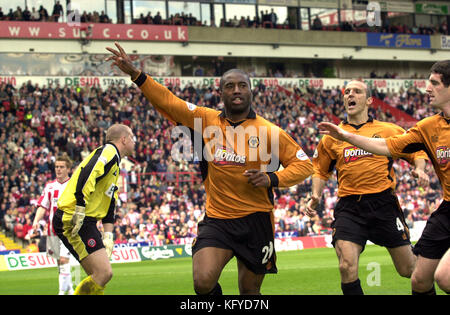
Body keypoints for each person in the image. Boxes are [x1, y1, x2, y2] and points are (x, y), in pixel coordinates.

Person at [106, 42, 314, 295]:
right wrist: (136, 74)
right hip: (218, 220)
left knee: (249, 291)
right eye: (229, 86)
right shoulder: (205, 119)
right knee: (202, 282)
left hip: (257, 220)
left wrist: (273, 178)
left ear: (251, 91)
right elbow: (169, 102)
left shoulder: (271, 132)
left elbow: (305, 165)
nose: (236, 90)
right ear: (221, 93)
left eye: (242, 86)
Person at [318, 60, 450, 295]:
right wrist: (315, 195)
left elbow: (414, 153)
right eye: (347, 91)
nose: (350, 94)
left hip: (383, 204)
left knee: (415, 271)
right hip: (350, 206)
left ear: (369, 100)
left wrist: (419, 169)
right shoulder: (428, 126)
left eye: (357, 91)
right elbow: (322, 169)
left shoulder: (389, 128)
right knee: (351, 266)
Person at [53, 123, 136, 295]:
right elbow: (87, 173)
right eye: (132, 138)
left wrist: (108, 235)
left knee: (98, 275)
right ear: (124, 139)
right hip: (74, 217)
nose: (135, 142)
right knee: (104, 273)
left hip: (85, 221)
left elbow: (110, 203)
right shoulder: (109, 151)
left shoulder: (115, 163)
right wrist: (80, 208)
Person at [32, 153, 74, 295]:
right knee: (59, 263)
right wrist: (36, 221)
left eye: (62, 167)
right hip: (52, 231)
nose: (59, 169)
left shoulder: (73, 185)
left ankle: (61, 292)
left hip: (68, 230)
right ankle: (70, 288)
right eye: (56, 167)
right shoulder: (50, 187)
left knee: (63, 260)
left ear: (68, 168)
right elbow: (42, 206)